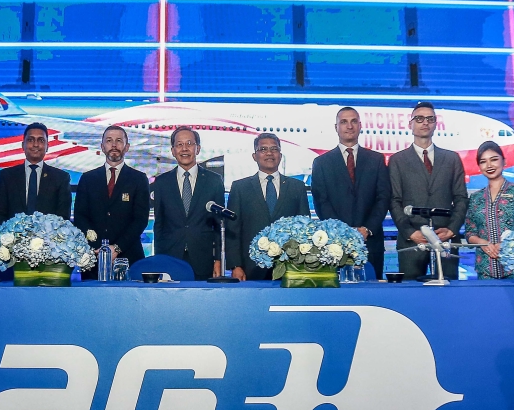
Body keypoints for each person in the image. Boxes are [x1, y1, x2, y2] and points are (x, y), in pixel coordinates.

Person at [388, 101, 468, 280]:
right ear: (410, 124)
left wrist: (452, 230)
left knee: (448, 296)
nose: (425, 122)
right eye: (419, 118)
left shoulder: (451, 159)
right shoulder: (397, 161)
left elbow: (461, 198)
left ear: (436, 124)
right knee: (411, 297)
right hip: (412, 240)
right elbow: (394, 200)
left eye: (430, 119)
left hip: (445, 238)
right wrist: (409, 232)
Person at [310, 107, 390, 279]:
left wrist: (367, 229)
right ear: (336, 127)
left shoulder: (376, 160)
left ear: (360, 125)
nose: (349, 126)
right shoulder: (321, 163)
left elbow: (383, 198)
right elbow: (321, 202)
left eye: (354, 121)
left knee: (372, 296)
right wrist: (342, 232)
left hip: (370, 242)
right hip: (335, 244)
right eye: (344, 122)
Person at [226, 133, 310, 280]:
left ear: (280, 154)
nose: (269, 153)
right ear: (254, 156)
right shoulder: (240, 187)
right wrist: (235, 265)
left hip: (290, 267)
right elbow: (233, 230)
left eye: (274, 149)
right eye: (263, 149)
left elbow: (305, 229)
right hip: (249, 268)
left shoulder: (297, 187)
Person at [74, 125, 150, 278]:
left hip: (129, 257)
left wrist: (116, 248)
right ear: (102, 147)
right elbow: (80, 216)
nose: (114, 145)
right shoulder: (88, 179)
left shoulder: (139, 179)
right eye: (109, 141)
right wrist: (100, 249)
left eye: (119, 141)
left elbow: (140, 220)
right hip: (93, 257)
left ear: (127, 147)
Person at [152, 126, 225, 280]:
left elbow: (219, 225)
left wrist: (218, 260)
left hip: (203, 259)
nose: (184, 149)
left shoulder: (214, 181)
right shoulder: (162, 182)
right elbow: (159, 225)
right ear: (173, 150)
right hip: (170, 258)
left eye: (189, 144)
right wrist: (158, 260)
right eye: (179, 144)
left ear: (197, 149)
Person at [464, 141, 514, 279]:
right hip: (485, 271)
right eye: (483, 162)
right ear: (479, 167)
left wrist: (508, 243)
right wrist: (483, 243)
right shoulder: (476, 198)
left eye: (494, 160)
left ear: (504, 161)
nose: (489, 165)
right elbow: (470, 232)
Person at [0, 122, 72, 227]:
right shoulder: (6, 176)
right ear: (23, 145)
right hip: (13, 241)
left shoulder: (61, 178)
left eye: (41, 140)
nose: (35, 144)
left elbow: (63, 217)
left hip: (48, 242)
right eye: (30, 140)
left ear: (47, 146)